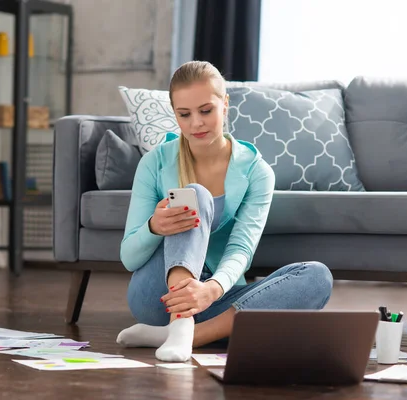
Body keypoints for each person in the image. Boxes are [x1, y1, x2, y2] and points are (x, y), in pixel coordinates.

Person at [116, 61, 333, 362]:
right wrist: (155, 227)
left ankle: (187, 334)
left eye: (206, 111)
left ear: (225, 104)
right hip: (158, 299)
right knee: (196, 196)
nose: (196, 124)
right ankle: (180, 324)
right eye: (184, 114)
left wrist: (212, 290)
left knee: (317, 278)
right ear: (175, 114)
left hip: (215, 298)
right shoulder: (154, 163)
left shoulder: (257, 172)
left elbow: (241, 249)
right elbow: (129, 258)